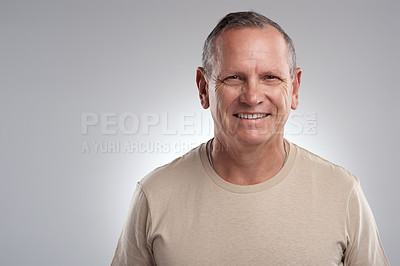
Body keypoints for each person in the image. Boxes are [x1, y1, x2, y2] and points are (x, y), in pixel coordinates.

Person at [111, 11, 389, 265]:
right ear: (203, 88)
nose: (252, 97)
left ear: (294, 88)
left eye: (270, 77)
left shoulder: (342, 192)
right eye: (233, 77)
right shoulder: (155, 194)